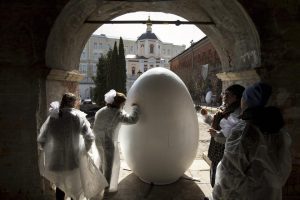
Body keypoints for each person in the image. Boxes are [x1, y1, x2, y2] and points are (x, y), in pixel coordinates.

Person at [212, 82, 292, 200]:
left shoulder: (244, 131)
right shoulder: (280, 131)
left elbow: (228, 172)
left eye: (244, 97)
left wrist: (218, 195)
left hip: (244, 193)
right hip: (270, 193)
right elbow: (284, 167)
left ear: (247, 101)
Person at [37, 93, 107, 200]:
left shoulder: (53, 117)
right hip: (73, 157)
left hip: (56, 158)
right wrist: (84, 151)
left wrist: (49, 150)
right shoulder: (78, 117)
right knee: (75, 186)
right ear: (73, 103)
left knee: (60, 186)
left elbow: (42, 139)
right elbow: (89, 137)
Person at [93, 89, 140, 194]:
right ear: (119, 103)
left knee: (101, 162)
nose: (123, 106)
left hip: (97, 139)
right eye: (123, 103)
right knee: (108, 166)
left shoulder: (101, 110)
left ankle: (98, 185)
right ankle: (106, 189)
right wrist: (136, 108)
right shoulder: (117, 114)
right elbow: (133, 120)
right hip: (107, 141)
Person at [201, 84, 245, 187]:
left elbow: (232, 135)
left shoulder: (237, 113)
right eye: (224, 94)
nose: (224, 97)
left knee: (222, 177)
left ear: (237, 97)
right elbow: (216, 122)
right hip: (217, 147)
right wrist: (206, 115)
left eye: (228, 94)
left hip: (225, 150)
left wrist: (216, 134)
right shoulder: (226, 108)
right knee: (214, 171)